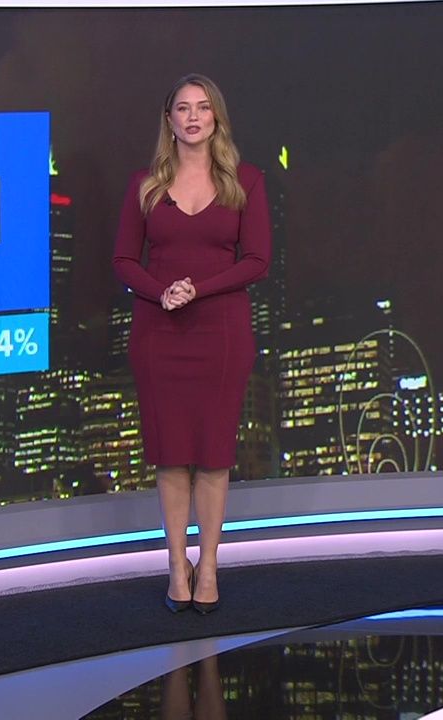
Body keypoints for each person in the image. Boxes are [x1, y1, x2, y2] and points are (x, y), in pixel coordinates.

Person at [111, 73, 272, 615]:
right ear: (170, 120)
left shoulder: (245, 181)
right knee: (172, 455)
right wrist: (161, 293)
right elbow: (123, 259)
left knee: (213, 457)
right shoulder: (145, 185)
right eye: (183, 108)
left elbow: (257, 260)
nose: (193, 116)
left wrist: (197, 289)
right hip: (159, 334)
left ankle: (209, 568)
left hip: (221, 334)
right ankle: (176, 567)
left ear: (216, 117)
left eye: (203, 107)